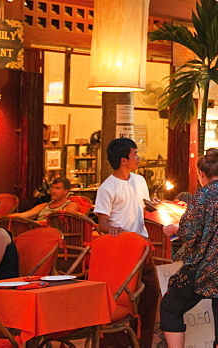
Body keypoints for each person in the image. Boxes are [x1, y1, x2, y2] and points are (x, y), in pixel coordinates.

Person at [160, 149, 218, 348]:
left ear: (201, 174)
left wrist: (174, 228)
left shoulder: (202, 196)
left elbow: (190, 232)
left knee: (170, 308)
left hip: (204, 269)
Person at [93, 138, 158, 348]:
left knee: (150, 293)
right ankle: (119, 341)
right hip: (121, 250)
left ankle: (143, 342)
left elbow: (146, 208)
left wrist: (160, 207)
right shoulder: (107, 187)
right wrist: (112, 228)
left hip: (142, 245)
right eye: (134, 154)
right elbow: (102, 222)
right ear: (123, 160)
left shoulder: (139, 181)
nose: (138, 158)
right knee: (123, 299)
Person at [10, 177, 78, 221]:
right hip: (38, 233)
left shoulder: (71, 205)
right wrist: (2, 218)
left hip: (55, 236)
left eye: (57, 188)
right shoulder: (43, 206)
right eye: (52, 187)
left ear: (66, 191)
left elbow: (67, 221)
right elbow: (22, 215)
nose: (53, 191)